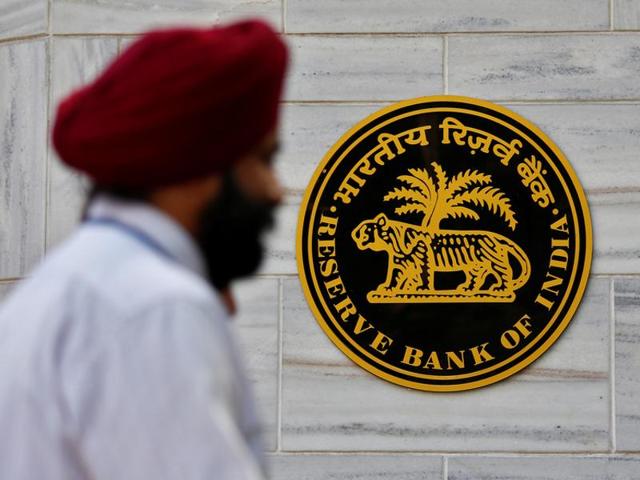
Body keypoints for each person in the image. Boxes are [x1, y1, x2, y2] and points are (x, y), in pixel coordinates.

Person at [0, 19, 288, 480]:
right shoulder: (151, 308)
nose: (276, 190)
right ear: (198, 167)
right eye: (263, 160)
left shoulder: (66, 287)